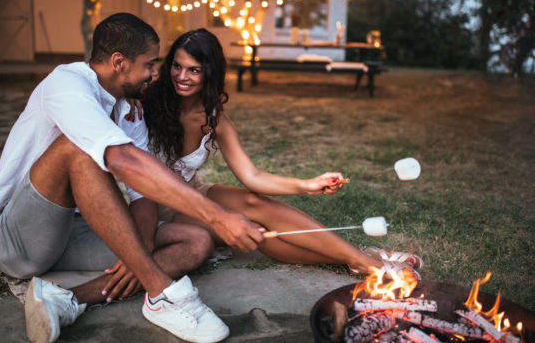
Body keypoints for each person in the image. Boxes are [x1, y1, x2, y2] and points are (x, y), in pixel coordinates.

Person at [0, 14, 264, 343]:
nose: (157, 74)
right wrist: (218, 216)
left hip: (75, 232)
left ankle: (70, 300)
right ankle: (161, 293)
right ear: (118, 62)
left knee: (197, 241)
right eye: (150, 64)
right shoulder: (66, 84)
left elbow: (143, 195)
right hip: (17, 239)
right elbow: (123, 160)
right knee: (78, 149)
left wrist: (139, 250)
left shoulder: (129, 110)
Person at [133, 28, 422, 279]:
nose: (181, 76)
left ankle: (360, 260)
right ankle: (365, 261)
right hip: (154, 207)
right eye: (177, 66)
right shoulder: (144, 104)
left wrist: (307, 184)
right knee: (253, 230)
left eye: (193, 70)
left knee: (252, 201)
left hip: (192, 192)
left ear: (210, 73)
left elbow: (252, 176)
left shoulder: (214, 119)